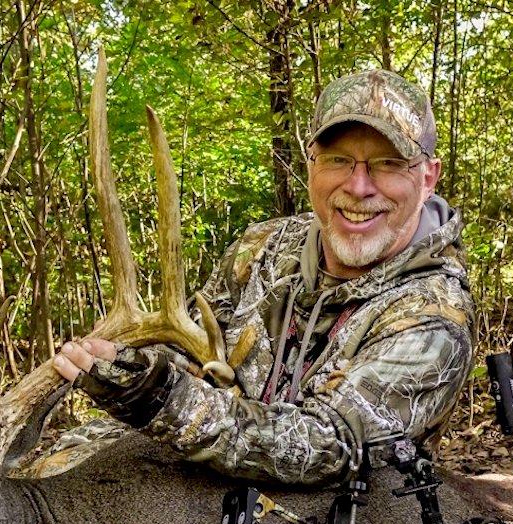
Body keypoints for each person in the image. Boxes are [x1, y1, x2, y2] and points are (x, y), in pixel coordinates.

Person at [52, 69, 474, 485]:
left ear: (428, 178)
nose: (359, 187)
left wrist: (159, 396)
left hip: (333, 521)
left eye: (388, 164)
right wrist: (129, 372)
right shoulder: (262, 248)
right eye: (338, 160)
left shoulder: (435, 317)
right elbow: (187, 355)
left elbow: (330, 444)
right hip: (201, 495)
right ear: (311, 165)